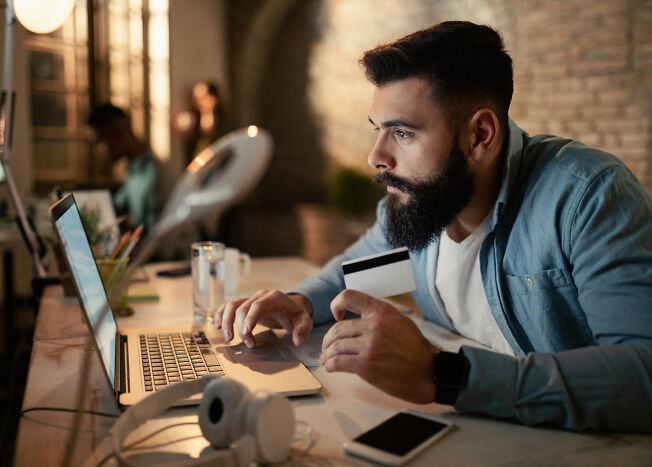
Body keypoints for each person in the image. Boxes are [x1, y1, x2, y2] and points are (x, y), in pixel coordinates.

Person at [215, 21, 652, 432]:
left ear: (480, 135)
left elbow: (643, 372)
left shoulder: (586, 197)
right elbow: (354, 273)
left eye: (402, 133)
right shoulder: (421, 210)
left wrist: (443, 375)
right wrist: (299, 303)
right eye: (378, 130)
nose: (376, 157)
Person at [89, 104, 166, 232]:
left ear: (117, 134)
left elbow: (150, 235)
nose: (100, 151)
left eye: (102, 141)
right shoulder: (133, 169)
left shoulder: (149, 175)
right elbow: (118, 202)